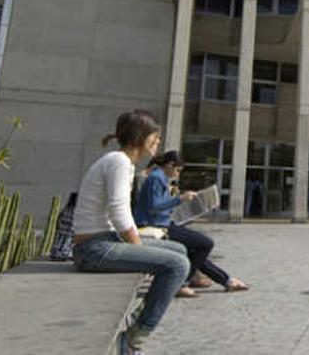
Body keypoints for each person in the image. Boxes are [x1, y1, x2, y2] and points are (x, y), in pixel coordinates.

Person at [72, 110, 190, 354]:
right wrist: (138, 249)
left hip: (105, 241)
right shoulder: (119, 161)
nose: (158, 142)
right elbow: (119, 211)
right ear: (141, 137)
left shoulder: (121, 162)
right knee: (177, 265)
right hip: (94, 248)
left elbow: (120, 214)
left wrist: (139, 245)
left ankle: (142, 313)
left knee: (179, 250)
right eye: (155, 137)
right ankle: (134, 340)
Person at [135, 150, 248, 297]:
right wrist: (180, 199)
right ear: (170, 165)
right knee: (205, 244)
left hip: (163, 223)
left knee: (195, 252)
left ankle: (226, 280)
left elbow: (158, 206)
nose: (178, 174)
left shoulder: (159, 178)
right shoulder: (156, 178)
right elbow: (154, 207)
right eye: (178, 170)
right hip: (156, 226)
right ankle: (181, 283)